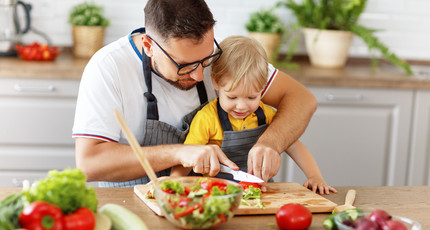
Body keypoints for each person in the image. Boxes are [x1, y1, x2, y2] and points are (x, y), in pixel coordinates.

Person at [72, 0, 317, 188]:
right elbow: (89, 163)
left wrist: (271, 143)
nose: (200, 75)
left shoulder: (224, 56)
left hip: (209, 200)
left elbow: (303, 99)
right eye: (185, 66)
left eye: (206, 59)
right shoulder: (108, 67)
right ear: (149, 46)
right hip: (132, 205)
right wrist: (180, 152)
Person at [170, 36, 336, 194]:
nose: (242, 106)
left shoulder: (268, 115)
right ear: (216, 82)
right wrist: (173, 181)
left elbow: (294, 146)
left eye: (252, 97)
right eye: (232, 97)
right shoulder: (206, 118)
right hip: (216, 194)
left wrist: (315, 176)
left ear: (263, 87)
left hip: (260, 193)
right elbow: (188, 156)